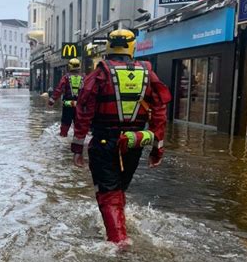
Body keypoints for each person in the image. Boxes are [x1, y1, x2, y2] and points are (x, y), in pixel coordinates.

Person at [71, 29, 171, 245]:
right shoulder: (148, 73)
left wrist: (77, 148)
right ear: (132, 47)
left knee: (108, 193)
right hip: (134, 143)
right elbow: (159, 113)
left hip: (105, 143)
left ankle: (119, 242)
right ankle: (120, 228)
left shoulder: (99, 74)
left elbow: (84, 110)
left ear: (108, 47)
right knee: (118, 188)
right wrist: (157, 149)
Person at [48, 58, 84, 136]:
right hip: (79, 105)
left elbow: (59, 90)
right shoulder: (83, 77)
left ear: (69, 66)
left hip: (68, 104)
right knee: (78, 124)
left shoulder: (66, 77)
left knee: (65, 123)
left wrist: (52, 100)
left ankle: (63, 136)